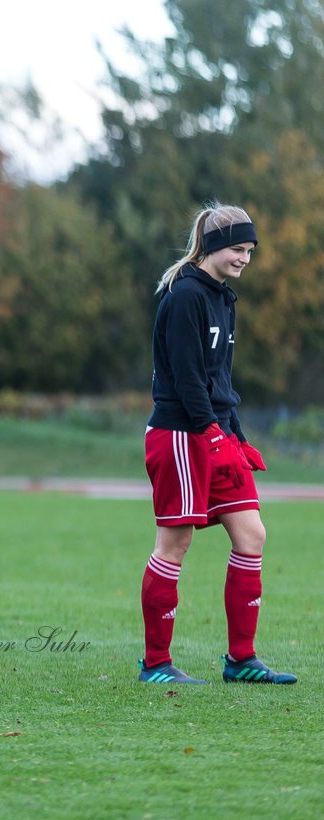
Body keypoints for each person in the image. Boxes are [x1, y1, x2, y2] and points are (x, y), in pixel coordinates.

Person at [139, 202, 296, 686]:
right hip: (182, 434)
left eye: (249, 250)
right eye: (236, 248)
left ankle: (241, 660)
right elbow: (186, 377)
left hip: (216, 430)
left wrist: (238, 435)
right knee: (175, 542)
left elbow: (219, 378)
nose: (244, 258)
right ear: (210, 246)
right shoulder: (184, 295)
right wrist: (210, 431)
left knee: (252, 535)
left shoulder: (224, 298)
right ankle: (156, 664)